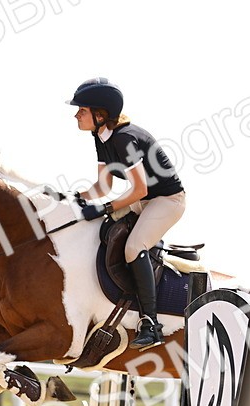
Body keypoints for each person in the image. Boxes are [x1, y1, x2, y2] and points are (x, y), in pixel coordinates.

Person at [68, 77, 186, 350]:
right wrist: (72, 198)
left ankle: (151, 324)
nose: (76, 115)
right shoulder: (101, 137)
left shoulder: (124, 139)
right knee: (100, 230)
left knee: (134, 247)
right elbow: (103, 186)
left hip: (167, 201)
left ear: (100, 115)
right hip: (143, 201)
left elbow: (139, 188)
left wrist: (107, 207)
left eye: (82, 110)